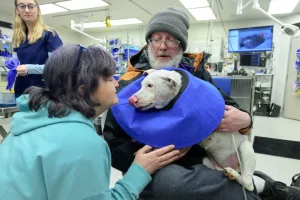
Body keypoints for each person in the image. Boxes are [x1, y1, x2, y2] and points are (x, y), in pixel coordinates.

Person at [103, 7, 300, 200]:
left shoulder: (195, 74)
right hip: (159, 165)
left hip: (203, 156)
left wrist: (245, 119)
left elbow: (228, 105)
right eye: (156, 38)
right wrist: (141, 159)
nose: (162, 46)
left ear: (182, 46)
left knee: (213, 172)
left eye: (171, 39)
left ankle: (259, 186)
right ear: (149, 43)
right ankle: (264, 187)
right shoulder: (129, 85)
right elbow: (113, 143)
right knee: (173, 184)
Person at [0, 44, 180, 200]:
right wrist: (140, 171)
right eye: (109, 79)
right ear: (83, 90)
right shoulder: (81, 143)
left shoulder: (26, 125)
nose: (116, 84)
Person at [12, 0, 63, 98]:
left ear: (38, 10)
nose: (27, 10)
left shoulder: (49, 35)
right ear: (17, 11)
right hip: (21, 91)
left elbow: (57, 67)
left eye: (31, 6)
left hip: (44, 94)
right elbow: (17, 62)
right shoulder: (18, 38)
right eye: (22, 6)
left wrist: (29, 69)